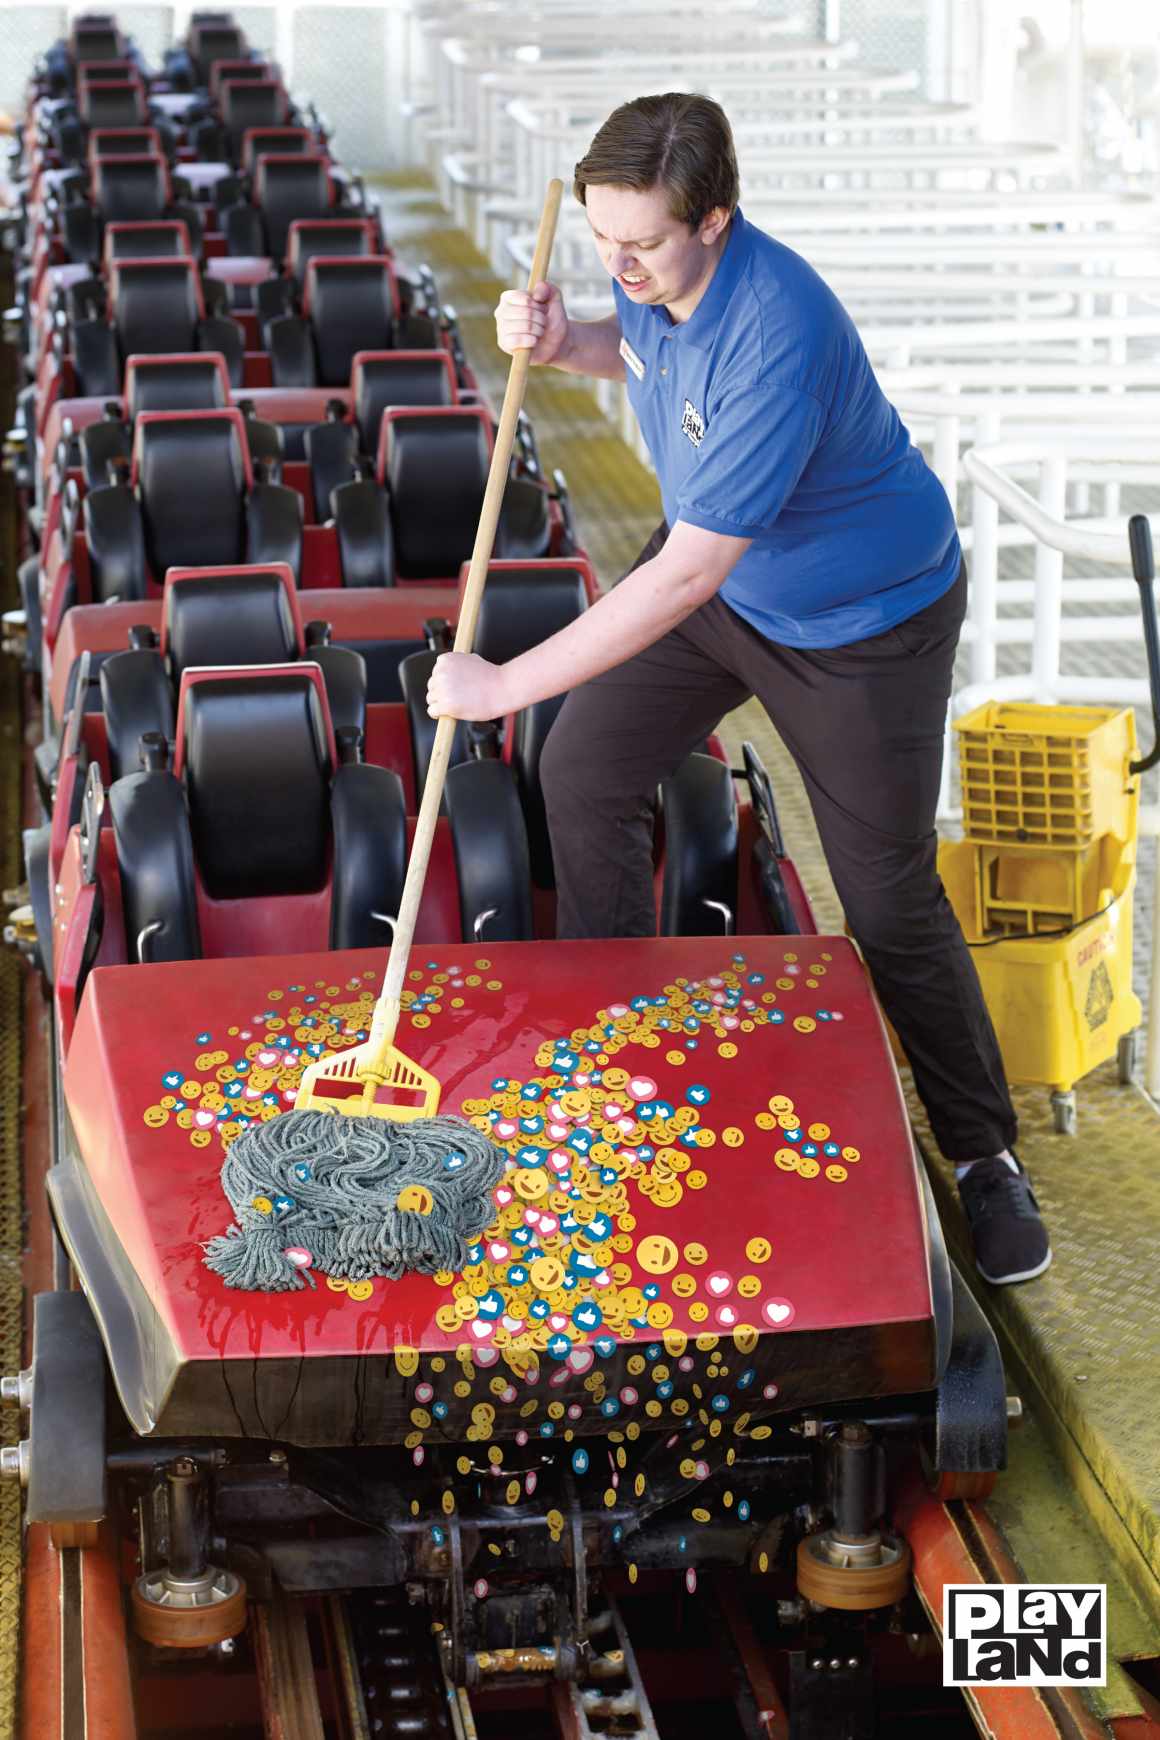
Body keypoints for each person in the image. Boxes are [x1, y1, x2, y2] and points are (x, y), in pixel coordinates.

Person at [426, 92, 1051, 1287]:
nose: (618, 262)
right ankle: (614, 1056)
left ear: (716, 217)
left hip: (859, 627)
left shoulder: (779, 325)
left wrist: (503, 681)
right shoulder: (659, 281)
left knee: (882, 897)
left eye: (643, 243)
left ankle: (983, 1158)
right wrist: (570, 342)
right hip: (736, 586)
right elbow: (645, 349)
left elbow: (679, 575)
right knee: (585, 766)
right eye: (601, 238)